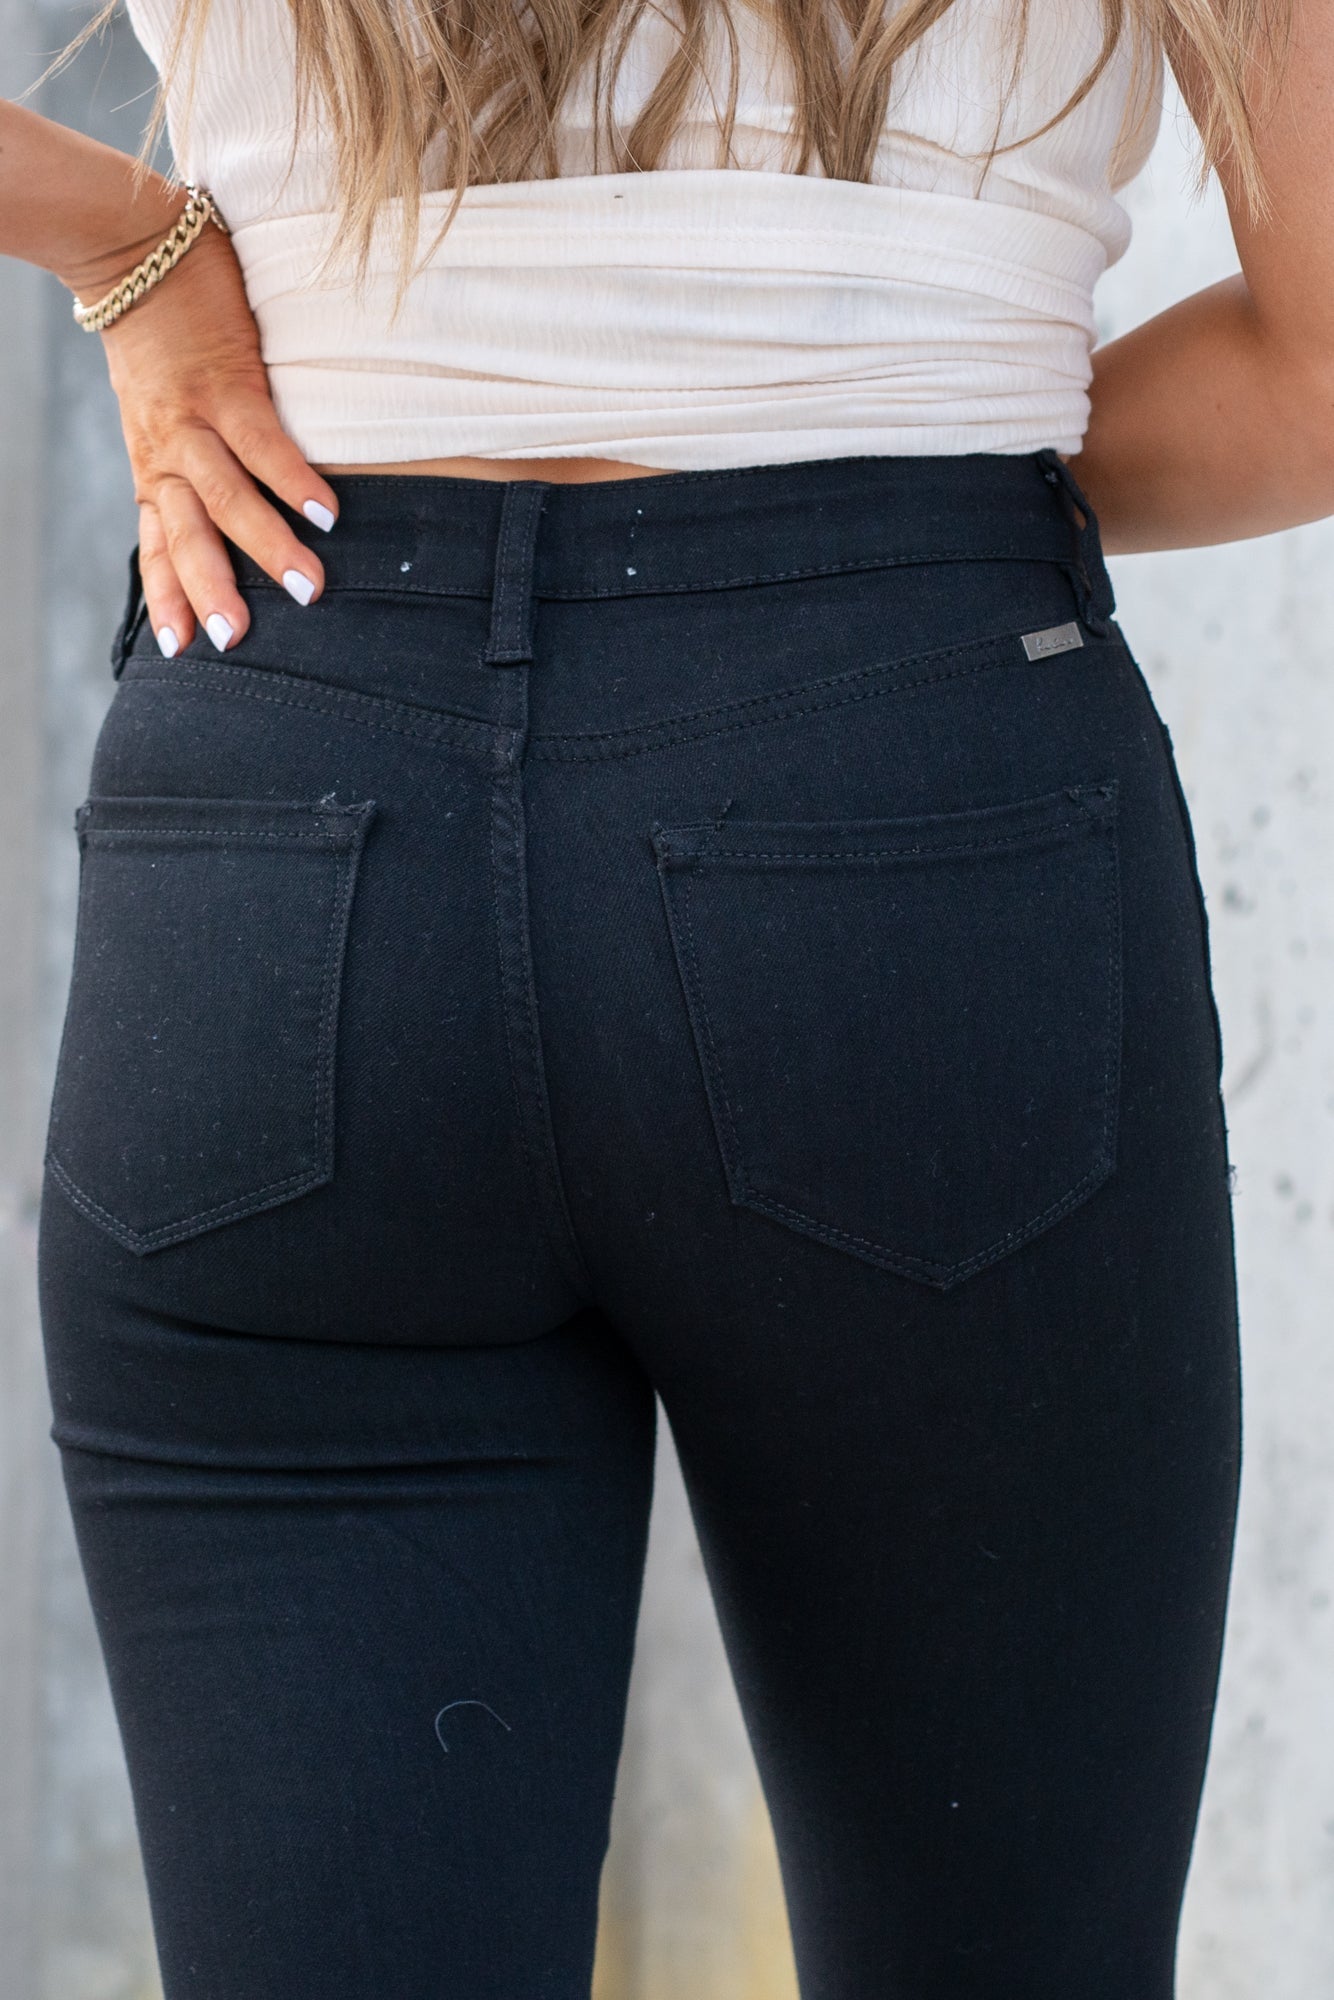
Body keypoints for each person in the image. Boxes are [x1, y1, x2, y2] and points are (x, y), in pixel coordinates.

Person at [3, 0, 1327, 1985]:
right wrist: (906, 508)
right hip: (909, 818)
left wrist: (128, 242)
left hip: (290, 805)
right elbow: (1320, 369)